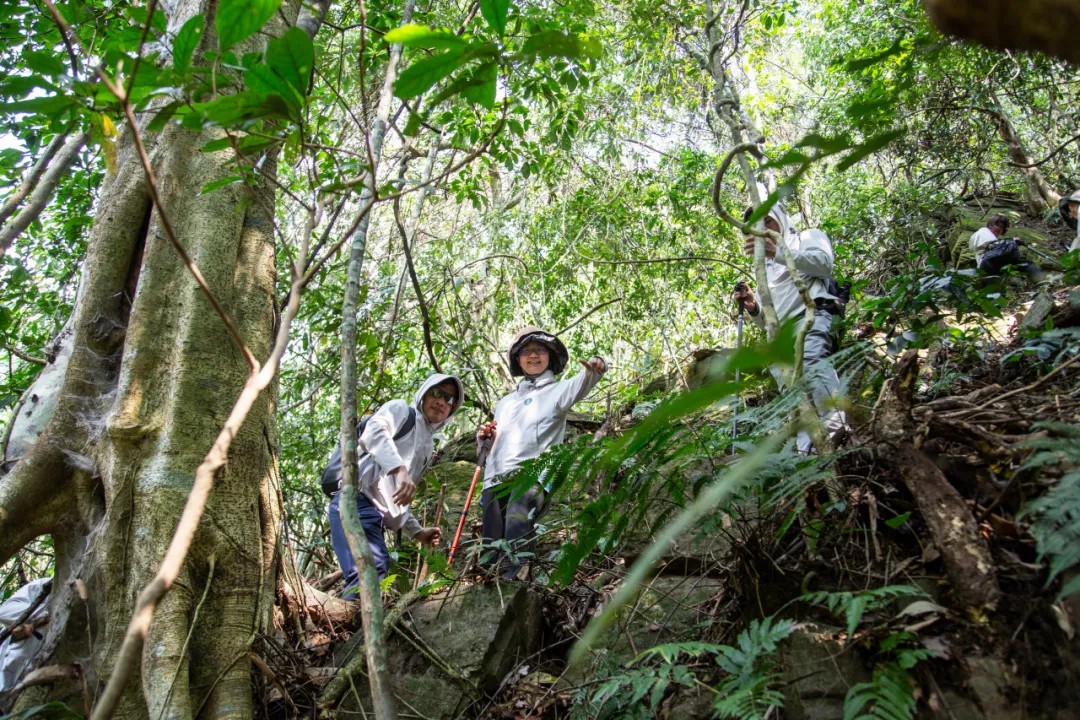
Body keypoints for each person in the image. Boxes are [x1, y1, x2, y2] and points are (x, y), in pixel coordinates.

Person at [476, 327, 606, 580]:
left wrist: (596, 369)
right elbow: (494, 444)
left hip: (532, 475)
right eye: (526, 351)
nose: (533, 356)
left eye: (539, 350)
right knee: (491, 541)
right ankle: (488, 588)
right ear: (517, 359)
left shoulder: (558, 391)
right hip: (496, 476)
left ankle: (517, 583)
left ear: (550, 355)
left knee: (518, 520)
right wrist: (484, 439)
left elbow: (583, 382)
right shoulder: (505, 402)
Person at [328, 373, 463, 595]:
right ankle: (356, 624)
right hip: (355, 502)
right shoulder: (401, 411)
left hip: (373, 517)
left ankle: (357, 624)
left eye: (450, 400)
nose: (441, 402)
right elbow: (375, 430)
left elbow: (396, 494)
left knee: (370, 575)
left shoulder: (427, 445)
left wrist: (417, 532)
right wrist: (399, 469)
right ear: (424, 393)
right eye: (438, 393)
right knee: (369, 574)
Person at [732, 205, 848, 454]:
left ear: (780, 219)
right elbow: (767, 321)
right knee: (793, 395)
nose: (764, 229)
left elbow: (824, 264)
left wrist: (779, 252)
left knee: (813, 367)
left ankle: (838, 436)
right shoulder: (763, 268)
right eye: (756, 227)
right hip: (780, 336)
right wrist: (753, 307)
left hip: (810, 315)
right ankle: (808, 452)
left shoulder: (806, 237)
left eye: (768, 221)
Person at [969, 215, 1042, 280]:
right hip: (988, 263)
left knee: (1027, 264)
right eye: (998, 226)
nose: (1000, 230)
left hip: (991, 266)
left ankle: (1041, 282)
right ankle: (1041, 282)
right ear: (990, 225)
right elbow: (992, 247)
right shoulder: (983, 232)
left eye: (1003, 228)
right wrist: (1012, 242)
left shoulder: (991, 238)